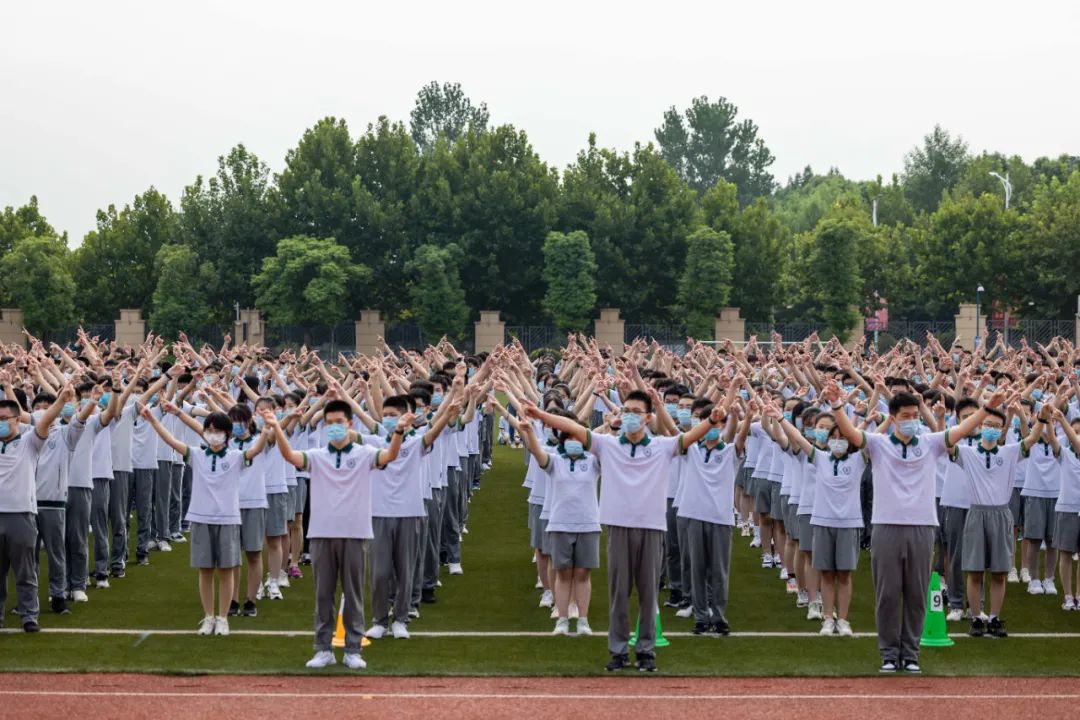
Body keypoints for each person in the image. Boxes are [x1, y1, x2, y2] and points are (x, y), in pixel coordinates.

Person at [525, 385, 724, 673]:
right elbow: (572, 427)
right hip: (618, 527)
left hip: (651, 528)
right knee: (619, 593)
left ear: (648, 417)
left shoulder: (662, 447)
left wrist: (712, 420)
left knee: (647, 594)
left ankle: (645, 651)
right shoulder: (607, 445)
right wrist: (541, 414)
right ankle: (618, 650)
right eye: (626, 411)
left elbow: (691, 437)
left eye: (636, 412)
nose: (630, 417)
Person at [827, 376, 1003, 673]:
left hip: (922, 526)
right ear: (893, 418)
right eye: (904, 417)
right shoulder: (879, 444)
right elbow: (852, 435)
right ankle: (888, 653)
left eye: (913, 416)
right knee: (887, 593)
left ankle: (910, 653)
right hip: (886, 526)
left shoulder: (931, 443)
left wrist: (986, 410)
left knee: (917, 593)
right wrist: (836, 405)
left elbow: (960, 430)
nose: (910, 421)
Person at [265, 399, 411, 671]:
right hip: (321, 532)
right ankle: (323, 649)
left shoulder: (365, 452)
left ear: (350, 424)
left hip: (355, 532)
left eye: (338, 423)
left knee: (353, 593)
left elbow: (389, 456)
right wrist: (276, 426)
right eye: (329, 423)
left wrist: (399, 432)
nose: (333, 427)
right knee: (323, 594)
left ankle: (352, 649)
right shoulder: (317, 455)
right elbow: (291, 457)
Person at [141, 403, 265, 637]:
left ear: (227, 434)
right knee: (205, 570)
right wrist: (154, 421)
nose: (212, 434)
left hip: (228, 519)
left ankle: (223, 617)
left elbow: (255, 450)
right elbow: (171, 441)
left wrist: (269, 429)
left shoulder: (236, 457)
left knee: (227, 570)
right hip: (201, 517)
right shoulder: (196, 455)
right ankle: (208, 616)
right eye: (208, 430)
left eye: (217, 430)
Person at [953, 399, 1039, 637]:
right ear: (980, 426)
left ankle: (994, 618)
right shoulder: (968, 453)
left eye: (996, 425)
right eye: (986, 423)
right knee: (975, 571)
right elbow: (948, 444)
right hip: (976, 513)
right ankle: (977, 617)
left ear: (1003, 429)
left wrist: (1040, 420)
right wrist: (942, 419)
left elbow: (1031, 440)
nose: (990, 428)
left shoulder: (1009, 452)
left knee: (1000, 571)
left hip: (1001, 514)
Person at [1, 385, 75, 631]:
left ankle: (29, 616)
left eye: (4, 419)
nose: (1, 423)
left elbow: (44, 422)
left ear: (16, 419)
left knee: (25, 571)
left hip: (21, 515)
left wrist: (62, 400)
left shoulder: (29, 442)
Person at [678, 390, 748, 636]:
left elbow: (736, 435)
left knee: (719, 571)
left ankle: (717, 615)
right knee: (697, 569)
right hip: (695, 516)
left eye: (717, 423)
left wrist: (744, 417)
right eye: (709, 423)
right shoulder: (692, 449)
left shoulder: (729, 452)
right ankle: (700, 616)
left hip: (720, 518)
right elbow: (669, 430)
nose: (713, 428)